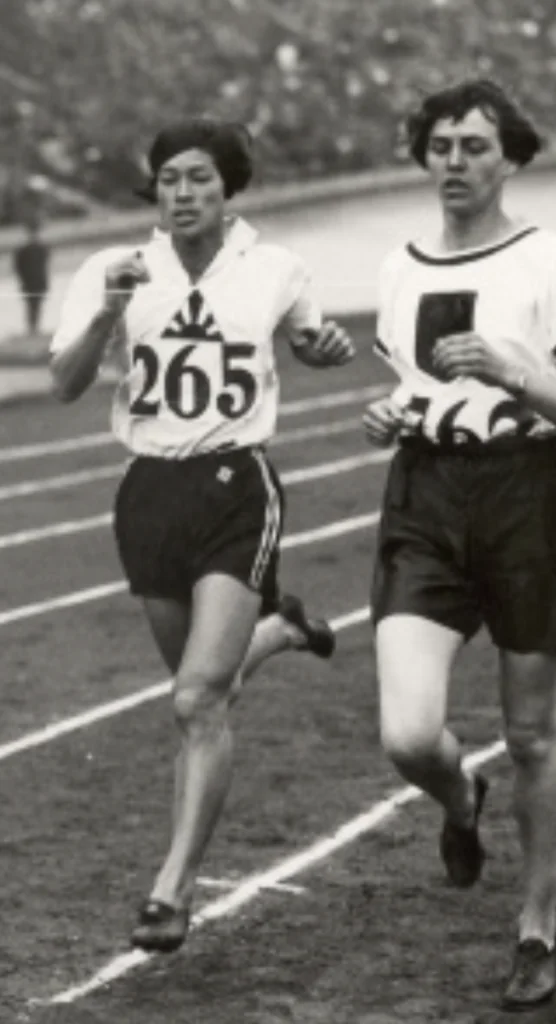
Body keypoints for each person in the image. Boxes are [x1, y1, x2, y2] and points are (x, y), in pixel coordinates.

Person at [49, 118, 355, 954]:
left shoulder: (274, 268)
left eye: (198, 179)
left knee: (195, 701)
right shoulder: (111, 271)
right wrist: (106, 313)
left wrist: (327, 349)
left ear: (229, 188)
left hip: (234, 485)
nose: (182, 194)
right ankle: (283, 627)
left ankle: (171, 888)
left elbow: (313, 340)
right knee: (202, 690)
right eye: (169, 180)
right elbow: (66, 383)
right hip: (148, 492)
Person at [363, 78, 556, 1011]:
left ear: (508, 158)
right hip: (426, 495)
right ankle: (456, 800)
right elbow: (415, 388)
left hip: (524, 496)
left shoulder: (550, 261)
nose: (455, 163)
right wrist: (389, 412)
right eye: (440, 146)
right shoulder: (398, 268)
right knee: (404, 732)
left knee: (529, 731)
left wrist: (519, 374)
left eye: (475, 146)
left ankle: (536, 924)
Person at [13, 216, 50, 335]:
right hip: (34, 281)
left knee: (34, 305)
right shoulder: (39, 248)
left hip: (32, 281)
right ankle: (33, 328)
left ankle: (33, 328)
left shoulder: (27, 249)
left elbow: (18, 267)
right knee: (33, 305)